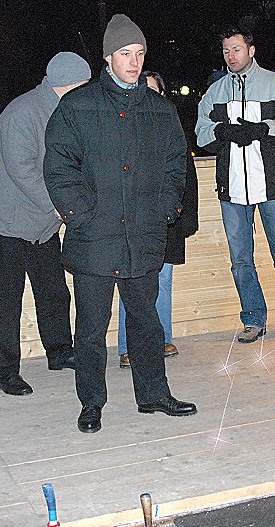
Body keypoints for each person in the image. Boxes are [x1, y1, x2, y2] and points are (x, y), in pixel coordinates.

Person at [43, 14, 197, 433]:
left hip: (143, 237)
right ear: (108, 58)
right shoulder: (77, 106)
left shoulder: (160, 110)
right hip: (94, 238)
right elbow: (59, 168)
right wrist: (81, 215)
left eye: (140, 53)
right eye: (125, 54)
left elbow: (174, 167)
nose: (134, 61)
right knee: (91, 329)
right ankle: (91, 402)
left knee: (146, 322)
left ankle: (153, 394)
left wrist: (165, 209)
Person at [0, 52, 91, 396]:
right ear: (69, 83)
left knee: (55, 291)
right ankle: (5, 371)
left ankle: (59, 352)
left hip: (41, 221)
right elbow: (23, 170)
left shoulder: (66, 111)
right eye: (84, 85)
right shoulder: (22, 112)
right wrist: (62, 208)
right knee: (8, 298)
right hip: (9, 220)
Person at [195, 27, 275, 343]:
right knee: (240, 260)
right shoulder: (214, 93)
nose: (231, 56)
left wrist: (262, 129)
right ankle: (253, 319)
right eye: (226, 51)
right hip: (231, 190)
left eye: (237, 49)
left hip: (271, 187)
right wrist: (221, 132)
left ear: (251, 50)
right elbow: (201, 133)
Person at [118, 70, 199, 368]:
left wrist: (186, 218)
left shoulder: (171, 126)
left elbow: (185, 176)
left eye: (155, 91)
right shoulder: (123, 129)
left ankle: (162, 340)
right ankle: (127, 347)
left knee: (162, 282)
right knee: (133, 283)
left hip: (165, 222)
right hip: (132, 224)